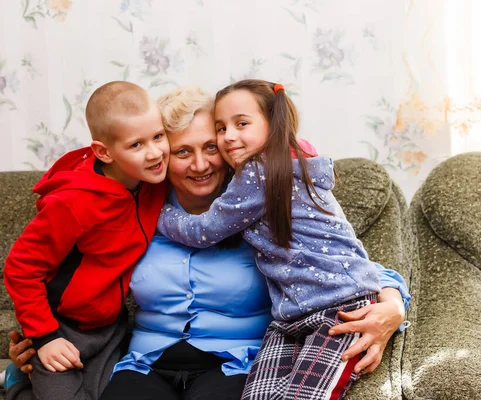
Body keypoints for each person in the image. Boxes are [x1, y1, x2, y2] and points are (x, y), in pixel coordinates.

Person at [8, 84, 409, 400]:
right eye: (183, 151)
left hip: (234, 364)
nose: (199, 165)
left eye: (210, 148)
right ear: (162, 153)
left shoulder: (261, 205)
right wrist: (40, 338)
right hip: (143, 363)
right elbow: (67, 278)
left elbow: (342, 265)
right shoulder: (136, 213)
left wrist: (392, 307)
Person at [156, 79, 411, 400]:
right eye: (221, 129)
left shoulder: (260, 176)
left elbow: (351, 261)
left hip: (339, 311)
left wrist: (393, 304)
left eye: (240, 125)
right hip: (288, 319)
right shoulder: (261, 183)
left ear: (272, 126)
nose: (227, 138)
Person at [2, 81, 169, 400]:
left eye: (158, 136)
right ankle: (17, 386)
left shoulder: (154, 180)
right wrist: (45, 336)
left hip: (111, 327)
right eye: (136, 145)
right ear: (104, 152)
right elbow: (20, 268)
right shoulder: (72, 203)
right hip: (60, 325)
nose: (155, 152)